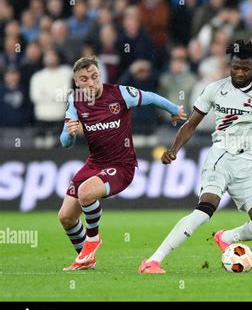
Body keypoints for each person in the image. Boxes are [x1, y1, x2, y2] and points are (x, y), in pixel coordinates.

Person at [138, 40, 252, 274]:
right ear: (229, 64)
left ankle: (225, 237)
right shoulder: (215, 89)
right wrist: (174, 149)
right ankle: (153, 260)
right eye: (235, 67)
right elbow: (190, 125)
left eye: (245, 69)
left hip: (247, 165)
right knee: (204, 211)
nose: (239, 73)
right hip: (220, 158)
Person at [59, 56, 186, 271]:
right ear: (77, 82)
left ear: (100, 75)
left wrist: (174, 109)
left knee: (86, 192)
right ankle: (85, 259)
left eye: (94, 76)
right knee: (65, 217)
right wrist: (70, 134)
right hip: (95, 163)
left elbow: (151, 97)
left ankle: (93, 241)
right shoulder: (76, 101)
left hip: (121, 165)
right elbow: (65, 143)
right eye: (84, 79)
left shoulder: (119, 94)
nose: (91, 83)